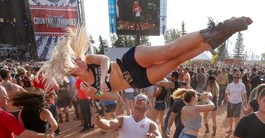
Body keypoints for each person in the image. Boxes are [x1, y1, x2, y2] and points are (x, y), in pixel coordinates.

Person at [38, 17, 252, 101]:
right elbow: (115, 98)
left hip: (130, 61)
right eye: (75, 62)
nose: (80, 60)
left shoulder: (90, 59)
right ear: (69, 69)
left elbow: (104, 60)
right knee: (178, 60)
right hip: (137, 81)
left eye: (77, 58)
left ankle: (218, 29)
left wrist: (102, 79)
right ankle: (221, 37)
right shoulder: (85, 85)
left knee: (171, 50)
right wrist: (99, 92)